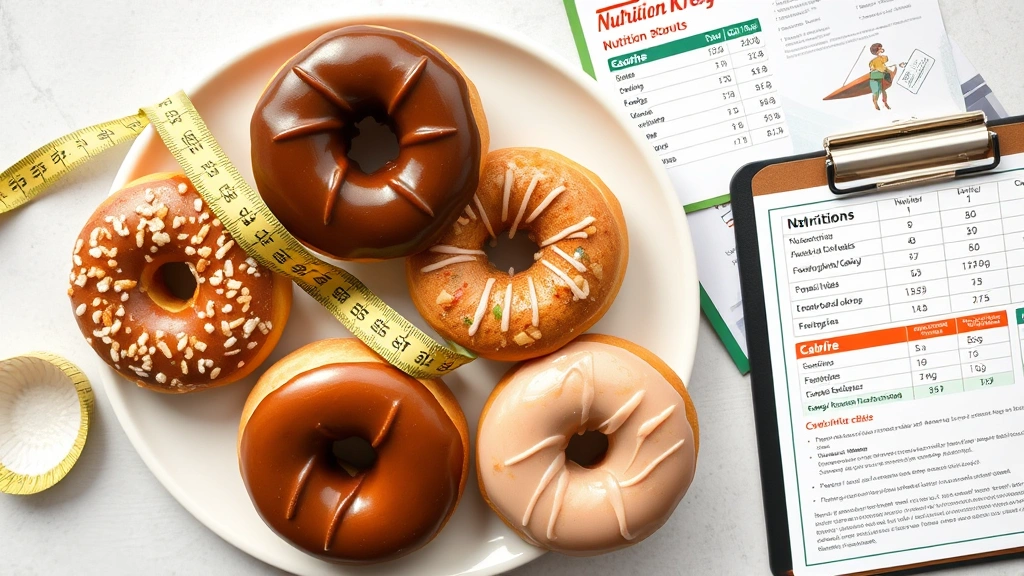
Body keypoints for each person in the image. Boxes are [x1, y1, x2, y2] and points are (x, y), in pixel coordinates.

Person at [868, 43, 896, 110]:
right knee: (876, 91)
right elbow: (872, 68)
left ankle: (885, 103)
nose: (881, 49)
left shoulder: (882, 58)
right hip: (875, 76)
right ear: (877, 50)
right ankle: (875, 103)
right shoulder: (873, 61)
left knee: (883, 90)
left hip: (883, 75)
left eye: (881, 48)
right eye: (880, 48)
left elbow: (887, 61)